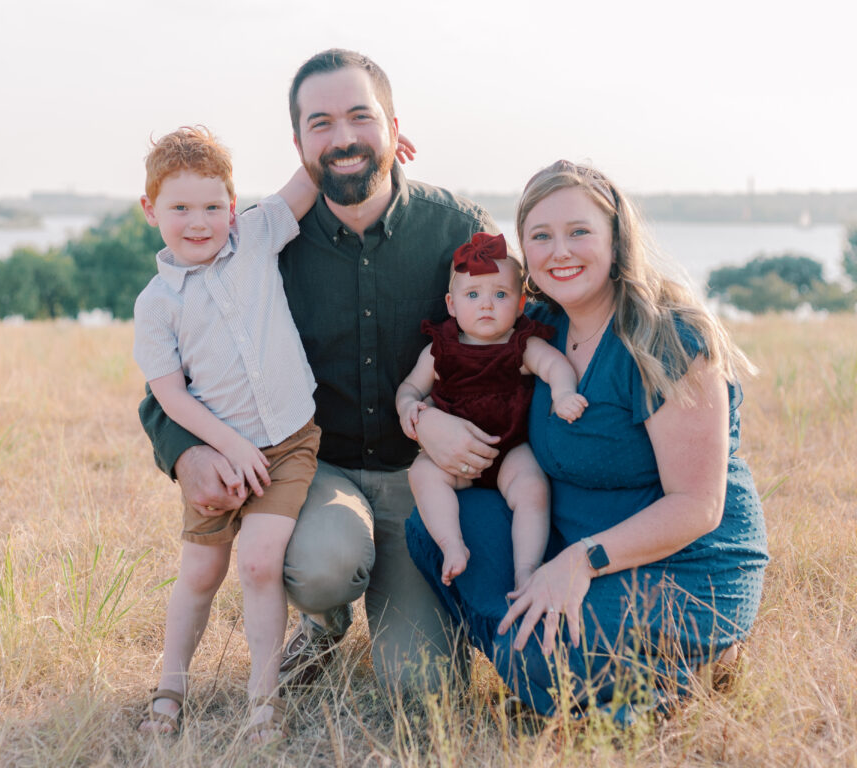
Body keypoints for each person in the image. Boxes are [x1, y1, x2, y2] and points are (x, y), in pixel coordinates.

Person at [138, 50, 500, 696]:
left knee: (422, 690)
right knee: (323, 565)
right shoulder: (256, 245)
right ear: (300, 143)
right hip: (314, 475)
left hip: (423, 483)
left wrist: (446, 423)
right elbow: (173, 377)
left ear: (393, 126)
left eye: (361, 118)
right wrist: (184, 452)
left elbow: (513, 342)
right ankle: (323, 620)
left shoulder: (458, 231)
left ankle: (419, 609)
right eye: (321, 123)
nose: (343, 138)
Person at [405, 159, 769, 723]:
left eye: (579, 232)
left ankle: (688, 663)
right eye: (541, 236)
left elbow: (699, 505)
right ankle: (545, 663)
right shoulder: (539, 326)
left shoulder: (665, 338)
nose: (561, 251)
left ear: (616, 238)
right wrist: (425, 417)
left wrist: (582, 561)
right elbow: (460, 376)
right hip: (564, 542)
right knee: (432, 529)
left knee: (531, 654)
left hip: (677, 564)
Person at [132, 126, 322, 739]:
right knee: (200, 574)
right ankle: (171, 686)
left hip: (288, 442)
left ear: (232, 207)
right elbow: (167, 393)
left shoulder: (256, 238)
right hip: (217, 454)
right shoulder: (157, 302)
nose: (199, 221)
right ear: (150, 210)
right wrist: (227, 447)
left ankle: (263, 700)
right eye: (180, 207)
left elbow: (305, 183)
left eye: (213, 206)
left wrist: (356, 144)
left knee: (261, 563)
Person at [396, 231, 586, 590]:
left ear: (520, 304)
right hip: (452, 460)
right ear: (452, 305)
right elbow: (410, 387)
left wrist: (563, 394)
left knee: (532, 489)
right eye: (473, 295)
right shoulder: (441, 350)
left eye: (500, 295)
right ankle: (452, 545)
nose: (486, 305)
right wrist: (408, 406)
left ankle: (525, 569)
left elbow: (556, 365)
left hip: (510, 450)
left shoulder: (521, 345)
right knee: (422, 474)